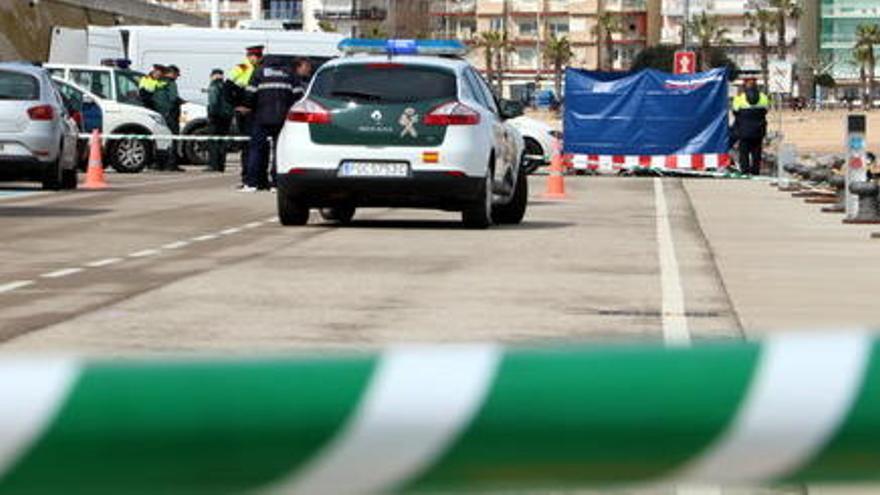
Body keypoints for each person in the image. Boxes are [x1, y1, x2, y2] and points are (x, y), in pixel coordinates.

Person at [240, 57, 308, 192]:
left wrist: (248, 107)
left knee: (256, 150)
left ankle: (252, 183)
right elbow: (299, 97)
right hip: (283, 118)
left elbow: (250, 94)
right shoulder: (289, 73)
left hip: (261, 117)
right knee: (279, 151)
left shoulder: (259, 72)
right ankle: (276, 183)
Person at [225, 45, 264, 186]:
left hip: (257, 109)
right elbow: (227, 87)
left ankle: (258, 178)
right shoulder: (242, 67)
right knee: (247, 145)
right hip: (244, 110)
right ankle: (246, 178)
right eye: (255, 56)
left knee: (258, 145)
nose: (257, 59)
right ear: (248, 56)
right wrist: (236, 105)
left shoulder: (261, 68)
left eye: (259, 56)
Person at [732, 78, 769, 176]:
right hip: (758, 130)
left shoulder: (739, 98)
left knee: (744, 152)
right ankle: (755, 171)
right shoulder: (764, 98)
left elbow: (735, 112)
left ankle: (745, 171)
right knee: (756, 153)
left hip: (744, 130)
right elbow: (765, 111)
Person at [153, 65, 185, 172]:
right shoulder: (171, 83)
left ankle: (159, 164)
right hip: (171, 115)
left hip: (158, 114)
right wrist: (181, 102)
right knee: (173, 139)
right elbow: (173, 98)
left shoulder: (158, 82)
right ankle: (172, 164)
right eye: (176, 75)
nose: (176, 77)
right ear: (172, 73)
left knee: (161, 139)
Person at [206, 68, 234, 173]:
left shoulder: (214, 86)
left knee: (213, 141)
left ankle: (214, 165)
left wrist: (211, 115)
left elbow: (213, 102)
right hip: (227, 117)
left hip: (216, 117)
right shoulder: (227, 86)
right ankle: (221, 165)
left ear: (213, 76)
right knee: (223, 141)